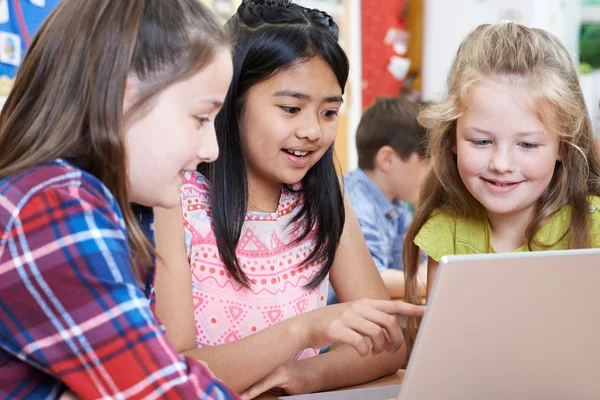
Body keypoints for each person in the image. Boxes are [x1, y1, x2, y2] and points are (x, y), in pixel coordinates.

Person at [153, 0, 424, 398]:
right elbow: (175, 373)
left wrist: (305, 375)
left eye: (329, 113)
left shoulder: (321, 191)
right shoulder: (174, 196)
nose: (312, 131)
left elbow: (387, 345)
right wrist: (303, 331)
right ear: (232, 99)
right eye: (291, 108)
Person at [0, 0, 240, 398]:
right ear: (122, 99)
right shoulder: (52, 207)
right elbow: (167, 390)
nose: (212, 149)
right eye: (201, 118)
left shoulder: (111, 203)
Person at [403, 22, 600, 357]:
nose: (501, 164)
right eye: (481, 141)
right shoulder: (446, 231)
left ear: (562, 148)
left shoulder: (594, 226)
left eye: (527, 144)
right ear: (452, 139)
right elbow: (445, 352)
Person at [328, 96, 428, 304]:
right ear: (387, 159)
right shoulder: (355, 203)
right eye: (427, 163)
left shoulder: (397, 205)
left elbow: (413, 264)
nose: (432, 176)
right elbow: (369, 281)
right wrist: (423, 280)